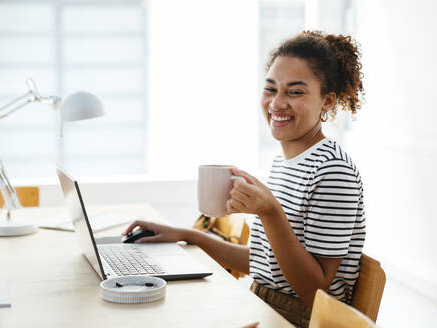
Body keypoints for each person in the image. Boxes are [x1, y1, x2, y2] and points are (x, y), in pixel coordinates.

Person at [123, 30, 366, 328]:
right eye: (270, 89)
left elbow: (316, 293)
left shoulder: (333, 171)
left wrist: (269, 211)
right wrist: (187, 234)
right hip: (263, 303)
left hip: (303, 319)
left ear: (327, 101)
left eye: (295, 91)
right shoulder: (285, 162)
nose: (277, 103)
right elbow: (265, 264)